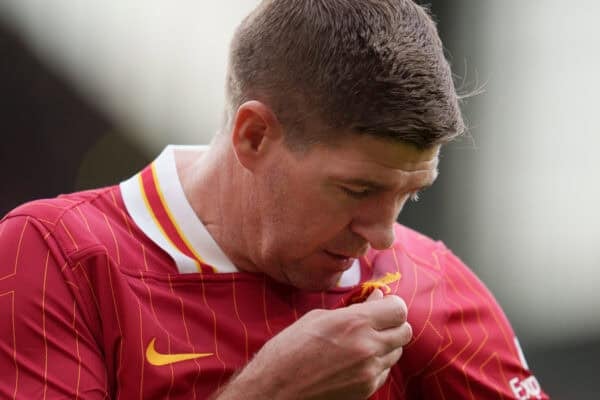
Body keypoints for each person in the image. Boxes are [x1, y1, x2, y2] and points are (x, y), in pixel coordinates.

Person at [0, 0, 549, 399]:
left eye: (409, 193)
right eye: (358, 190)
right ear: (254, 136)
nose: (382, 235)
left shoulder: (433, 288)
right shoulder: (55, 258)